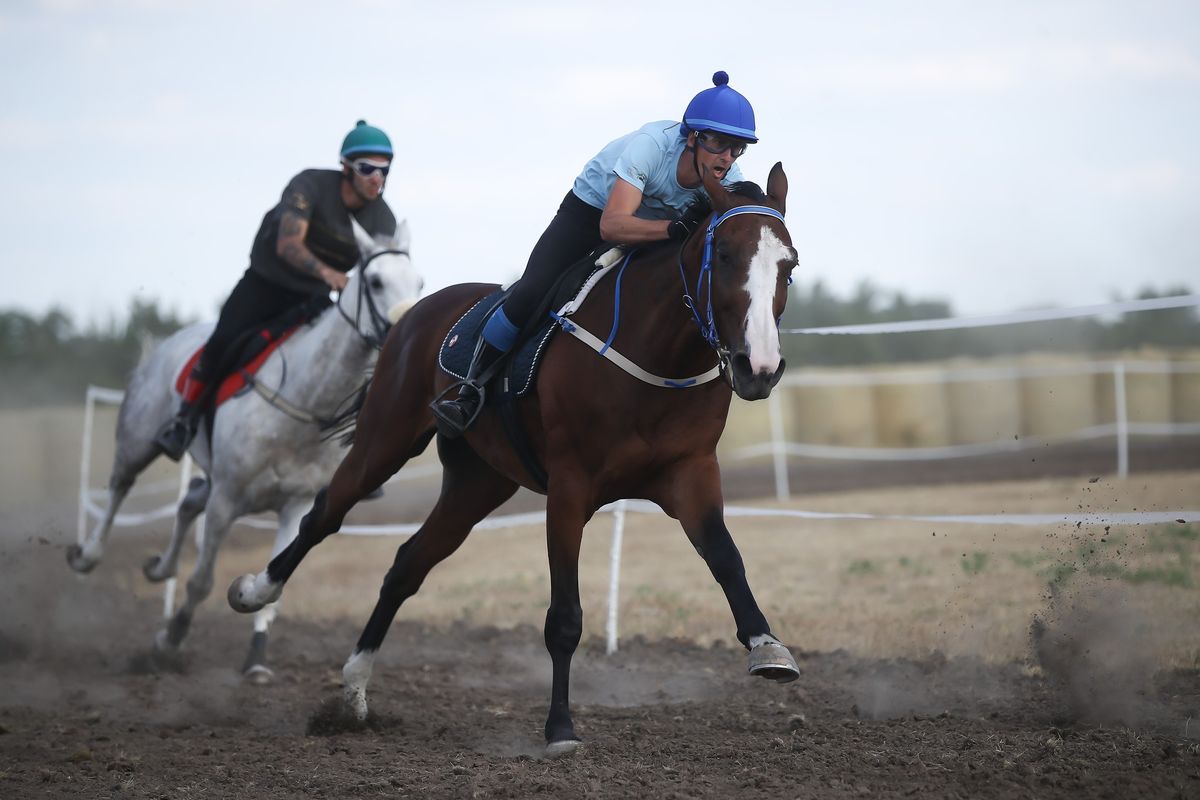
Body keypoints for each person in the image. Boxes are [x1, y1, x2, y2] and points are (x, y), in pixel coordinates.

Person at [431, 70, 757, 437]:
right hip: (591, 215)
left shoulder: (729, 179)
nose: (727, 157)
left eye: (737, 148)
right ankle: (469, 390)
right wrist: (671, 229)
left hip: (661, 229)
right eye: (719, 144)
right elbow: (613, 226)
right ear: (693, 137)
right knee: (532, 291)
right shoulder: (650, 146)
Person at [155, 120, 399, 461]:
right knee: (223, 341)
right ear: (346, 168)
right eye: (367, 168)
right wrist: (331, 274)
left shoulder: (384, 219)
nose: (378, 177)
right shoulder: (309, 185)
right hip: (265, 284)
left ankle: (350, 446)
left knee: (348, 356)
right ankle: (183, 421)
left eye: (384, 169)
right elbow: (288, 245)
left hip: (312, 297)